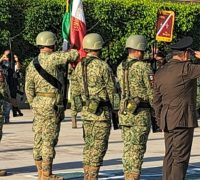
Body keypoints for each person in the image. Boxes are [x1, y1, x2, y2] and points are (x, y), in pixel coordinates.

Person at [153, 37, 200, 180]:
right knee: (180, 157)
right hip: (182, 119)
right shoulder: (185, 69)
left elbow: (156, 101)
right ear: (186, 54)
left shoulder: (161, 71)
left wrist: (159, 118)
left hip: (167, 119)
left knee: (169, 155)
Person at [25, 31, 79, 180]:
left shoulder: (32, 64)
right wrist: (72, 45)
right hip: (52, 104)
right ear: (52, 44)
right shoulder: (53, 58)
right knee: (49, 139)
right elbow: (74, 55)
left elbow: (28, 88)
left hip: (38, 103)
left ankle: (40, 172)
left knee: (39, 138)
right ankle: (47, 174)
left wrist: (33, 104)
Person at [71, 33, 115, 179]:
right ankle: (93, 176)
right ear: (99, 47)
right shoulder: (103, 66)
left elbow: (75, 92)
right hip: (101, 113)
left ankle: (87, 175)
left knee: (89, 145)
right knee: (99, 146)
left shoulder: (79, 66)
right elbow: (111, 90)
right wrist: (117, 110)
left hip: (86, 112)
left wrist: (77, 110)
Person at [117, 35, 154, 179]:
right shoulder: (144, 67)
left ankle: (128, 174)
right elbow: (151, 91)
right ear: (139, 50)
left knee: (127, 146)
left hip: (125, 111)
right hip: (140, 112)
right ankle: (133, 176)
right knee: (137, 147)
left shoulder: (121, 66)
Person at [1, 50, 23, 120]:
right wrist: (2, 58)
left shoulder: (13, 63)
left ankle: (10, 114)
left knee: (11, 98)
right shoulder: (2, 62)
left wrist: (17, 60)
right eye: (6, 55)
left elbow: (18, 68)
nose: (8, 57)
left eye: (9, 55)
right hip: (3, 83)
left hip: (12, 82)